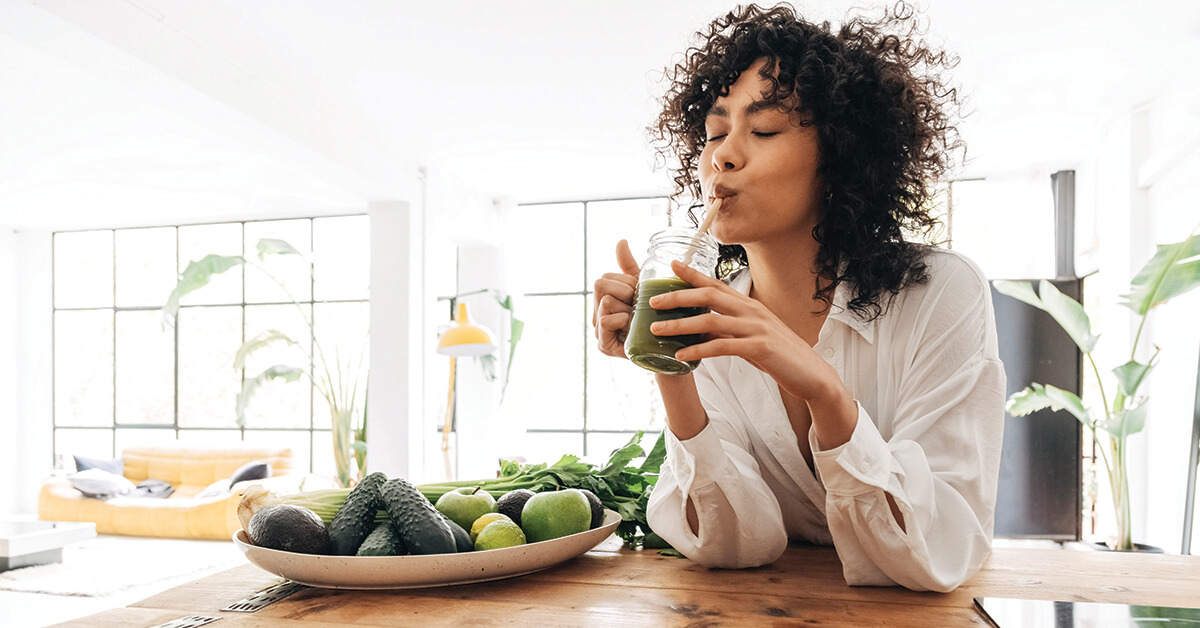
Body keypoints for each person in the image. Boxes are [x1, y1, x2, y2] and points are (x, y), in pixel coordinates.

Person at [592, 2, 1005, 592]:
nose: (722, 155)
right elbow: (731, 545)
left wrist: (824, 390)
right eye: (715, 132)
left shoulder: (940, 293)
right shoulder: (708, 311)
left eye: (763, 130)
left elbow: (942, 549)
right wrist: (670, 361)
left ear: (838, 155)